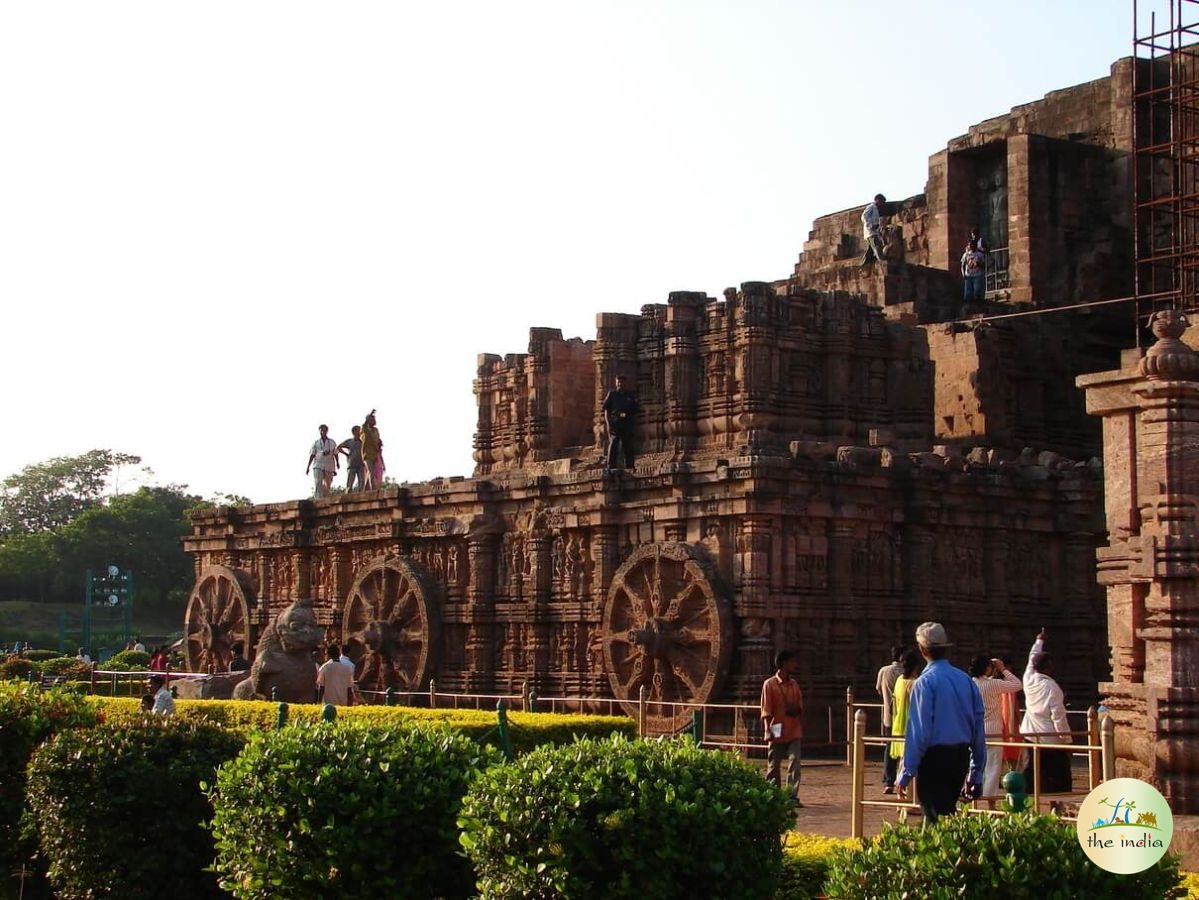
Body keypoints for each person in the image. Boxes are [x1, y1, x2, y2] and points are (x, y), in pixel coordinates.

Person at [895, 622, 986, 824]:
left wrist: (906, 772)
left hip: (934, 759)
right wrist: (976, 770)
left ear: (921, 649)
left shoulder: (925, 683)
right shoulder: (965, 680)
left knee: (936, 818)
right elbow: (978, 727)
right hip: (960, 757)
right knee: (943, 816)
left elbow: (919, 732)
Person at [1020, 627, 1073, 793]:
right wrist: (1067, 740)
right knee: (1058, 779)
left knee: (1029, 775)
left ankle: (1026, 808)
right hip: (1050, 739)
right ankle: (1057, 808)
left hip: (1030, 735)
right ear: (1048, 668)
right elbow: (1058, 717)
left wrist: (1039, 641)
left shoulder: (1028, 679)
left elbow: (1031, 659)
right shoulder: (1052, 687)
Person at [968, 653, 1023, 798]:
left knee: (974, 767)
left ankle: (972, 797)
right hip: (993, 732)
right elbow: (1018, 685)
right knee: (992, 769)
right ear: (986, 668)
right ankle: (989, 801)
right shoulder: (993, 684)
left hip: (974, 732)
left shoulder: (969, 684)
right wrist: (1003, 669)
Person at [760, 649, 804, 807]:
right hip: (776, 727)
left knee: (795, 762)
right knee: (774, 764)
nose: (795, 665)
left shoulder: (794, 684)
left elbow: (800, 705)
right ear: (784, 663)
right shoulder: (770, 684)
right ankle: (773, 792)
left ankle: (791, 795)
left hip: (793, 727)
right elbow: (766, 710)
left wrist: (795, 710)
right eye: (792, 662)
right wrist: (767, 729)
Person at [888, 648, 924, 777]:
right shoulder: (915, 684)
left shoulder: (899, 681)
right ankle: (903, 787)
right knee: (908, 762)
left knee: (905, 760)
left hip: (899, 724)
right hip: (911, 725)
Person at [875, 646, 904, 794]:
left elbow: (879, 690)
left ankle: (888, 781)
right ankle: (903, 781)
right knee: (905, 749)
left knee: (889, 748)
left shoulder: (883, 671)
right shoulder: (906, 674)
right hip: (904, 717)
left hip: (888, 715)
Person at [601, 375, 639, 472]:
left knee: (628, 445)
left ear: (625, 383)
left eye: (622, 382)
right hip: (615, 422)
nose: (620, 384)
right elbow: (607, 411)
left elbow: (635, 410)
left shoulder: (630, 396)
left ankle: (630, 465)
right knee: (614, 443)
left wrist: (632, 424)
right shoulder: (612, 395)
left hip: (626, 422)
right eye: (618, 382)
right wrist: (608, 425)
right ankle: (610, 465)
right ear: (616, 383)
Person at [306, 424, 339, 498]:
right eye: (321, 430)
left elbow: (336, 453)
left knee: (327, 485)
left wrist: (337, 463)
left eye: (324, 430)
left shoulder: (332, 442)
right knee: (318, 484)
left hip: (329, 466)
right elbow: (312, 454)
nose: (322, 432)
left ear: (327, 431)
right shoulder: (316, 442)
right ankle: (318, 500)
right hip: (318, 465)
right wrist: (308, 466)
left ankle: (326, 500)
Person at [860, 193, 887, 266]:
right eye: (882, 202)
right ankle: (882, 261)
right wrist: (871, 225)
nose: (882, 204)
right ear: (877, 200)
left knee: (870, 249)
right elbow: (864, 216)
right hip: (870, 232)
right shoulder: (871, 207)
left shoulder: (876, 210)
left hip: (874, 231)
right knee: (877, 245)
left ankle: (865, 264)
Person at [960, 239, 986, 313]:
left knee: (977, 290)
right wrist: (963, 274)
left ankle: (977, 305)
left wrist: (979, 264)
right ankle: (967, 307)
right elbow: (962, 265)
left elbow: (983, 265)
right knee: (968, 293)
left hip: (977, 275)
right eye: (969, 245)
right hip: (968, 275)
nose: (971, 246)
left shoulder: (979, 255)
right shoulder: (966, 254)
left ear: (975, 246)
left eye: (972, 245)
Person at [361, 410, 385, 489]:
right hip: (367, 454)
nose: (375, 421)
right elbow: (364, 425)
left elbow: (377, 441)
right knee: (371, 472)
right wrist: (370, 414)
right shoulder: (365, 430)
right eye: (372, 420)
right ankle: (373, 491)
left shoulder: (376, 430)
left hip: (375, 454)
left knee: (370, 473)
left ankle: (366, 489)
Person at [338, 425, 366, 492]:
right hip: (351, 464)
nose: (360, 432)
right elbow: (339, 447)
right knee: (349, 484)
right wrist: (346, 454)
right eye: (359, 430)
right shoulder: (349, 441)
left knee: (362, 484)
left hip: (361, 464)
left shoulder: (362, 441)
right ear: (354, 432)